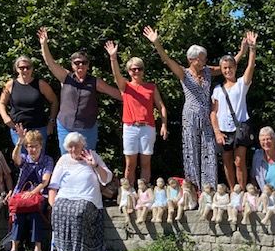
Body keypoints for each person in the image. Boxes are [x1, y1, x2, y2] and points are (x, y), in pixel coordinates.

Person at [143, 25, 246, 190]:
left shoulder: (206, 71)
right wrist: (157, 43)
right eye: (202, 58)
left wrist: (242, 51)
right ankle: (193, 189)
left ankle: (209, 189)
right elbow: (167, 60)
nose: (205, 60)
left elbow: (228, 67)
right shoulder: (183, 72)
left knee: (209, 150)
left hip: (206, 116)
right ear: (192, 59)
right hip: (190, 116)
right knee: (191, 151)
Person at [37, 27, 121, 154]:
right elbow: (50, 63)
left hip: (87, 128)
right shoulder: (65, 77)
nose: (80, 65)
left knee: (88, 160)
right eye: (77, 63)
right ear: (72, 65)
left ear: (88, 65)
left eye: (83, 62)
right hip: (65, 126)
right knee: (67, 159)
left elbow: (116, 93)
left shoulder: (95, 81)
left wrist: (137, 97)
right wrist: (44, 45)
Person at [104, 41, 168, 185]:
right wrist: (113, 58)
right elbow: (116, 74)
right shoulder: (125, 86)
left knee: (146, 163)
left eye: (139, 69)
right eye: (133, 69)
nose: (136, 72)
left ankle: (143, 196)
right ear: (129, 71)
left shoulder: (151, 87)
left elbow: (161, 106)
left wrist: (164, 125)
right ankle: (128, 194)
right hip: (130, 128)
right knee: (130, 164)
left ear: (143, 70)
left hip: (148, 128)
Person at [48, 132, 113, 251]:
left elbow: (107, 178)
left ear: (82, 145)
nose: (73, 150)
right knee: (59, 209)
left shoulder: (92, 156)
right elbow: (53, 185)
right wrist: (53, 203)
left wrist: (94, 165)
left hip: (87, 198)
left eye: (76, 146)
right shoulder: (64, 159)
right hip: (66, 196)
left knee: (79, 210)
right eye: (70, 147)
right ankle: (62, 250)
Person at [210, 31, 258, 189]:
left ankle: (242, 190)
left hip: (240, 127)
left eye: (230, 67)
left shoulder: (241, 84)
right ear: (221, 69)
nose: (227, 71)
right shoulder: (217, 89)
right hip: (224, 130)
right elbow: (213, 112)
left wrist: (252, 49)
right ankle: (232, 190)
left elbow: (250, 66)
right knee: (227, 161)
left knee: (239, 162)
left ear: (235, 67)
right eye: (224, 68)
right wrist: (216, 131)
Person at [7, 124, 54, 251]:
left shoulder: (47, 160)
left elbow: (45, 181)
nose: (31, 150)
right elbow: (15, 159)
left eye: (34, 146)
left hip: (39, 195)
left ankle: (37, 249)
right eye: (28, 146)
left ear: (40, 145)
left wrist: (32, 193)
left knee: (35, 213)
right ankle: (14, 248)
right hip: (21, 196)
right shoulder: (25, 158)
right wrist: (19, 142)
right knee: (19, 213)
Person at [0, 55, 58, 152]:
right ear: (17, 69)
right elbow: (1, 103)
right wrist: (5, 117)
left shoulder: (41, 84)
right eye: (21, 68)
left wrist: (51, 121)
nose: (25, 70)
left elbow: (54, 101)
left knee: (39, 160)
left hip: (39, 129)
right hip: (18, 130)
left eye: (27, 67)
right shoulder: (10, 85)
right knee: (22, 160)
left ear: (32, 68)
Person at [251, 126, 275, 191]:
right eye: (263, 140)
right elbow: (253, 178)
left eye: (268, 139)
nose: (266, 142)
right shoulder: (257, 157)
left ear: (274, 140)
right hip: (267, 198)